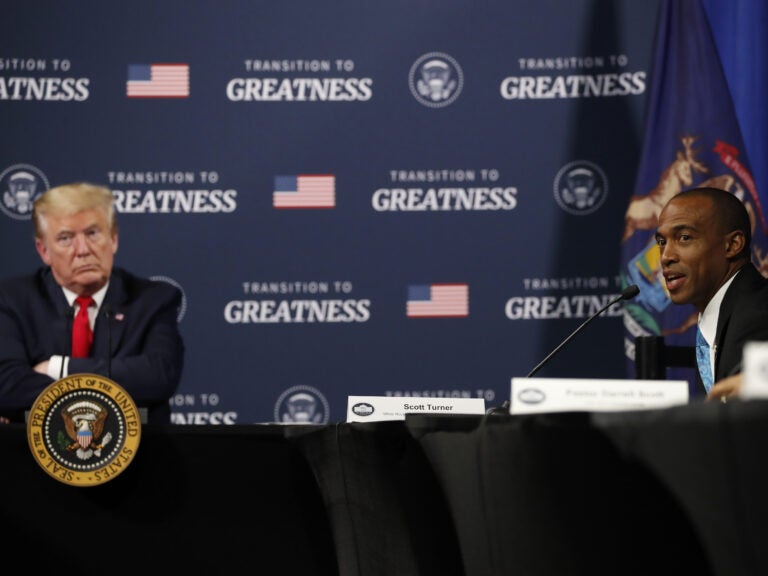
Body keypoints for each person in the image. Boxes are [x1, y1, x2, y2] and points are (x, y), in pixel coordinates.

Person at [0, 182, 184, 424]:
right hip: (34, 456)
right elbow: (7, 385)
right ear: (44, 250)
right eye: (65, 238)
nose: (83, 250)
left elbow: (158, 376)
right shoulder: (12, 299)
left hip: (138, 454)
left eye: (92, 233)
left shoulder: (153, 300)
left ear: (114, 239)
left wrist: (58, 369)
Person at [655, 186, 768, 402]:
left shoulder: (758, 314)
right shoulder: (721, 313)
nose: (665, 256)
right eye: (662, 242)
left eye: (685, 238)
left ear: (733, 245)